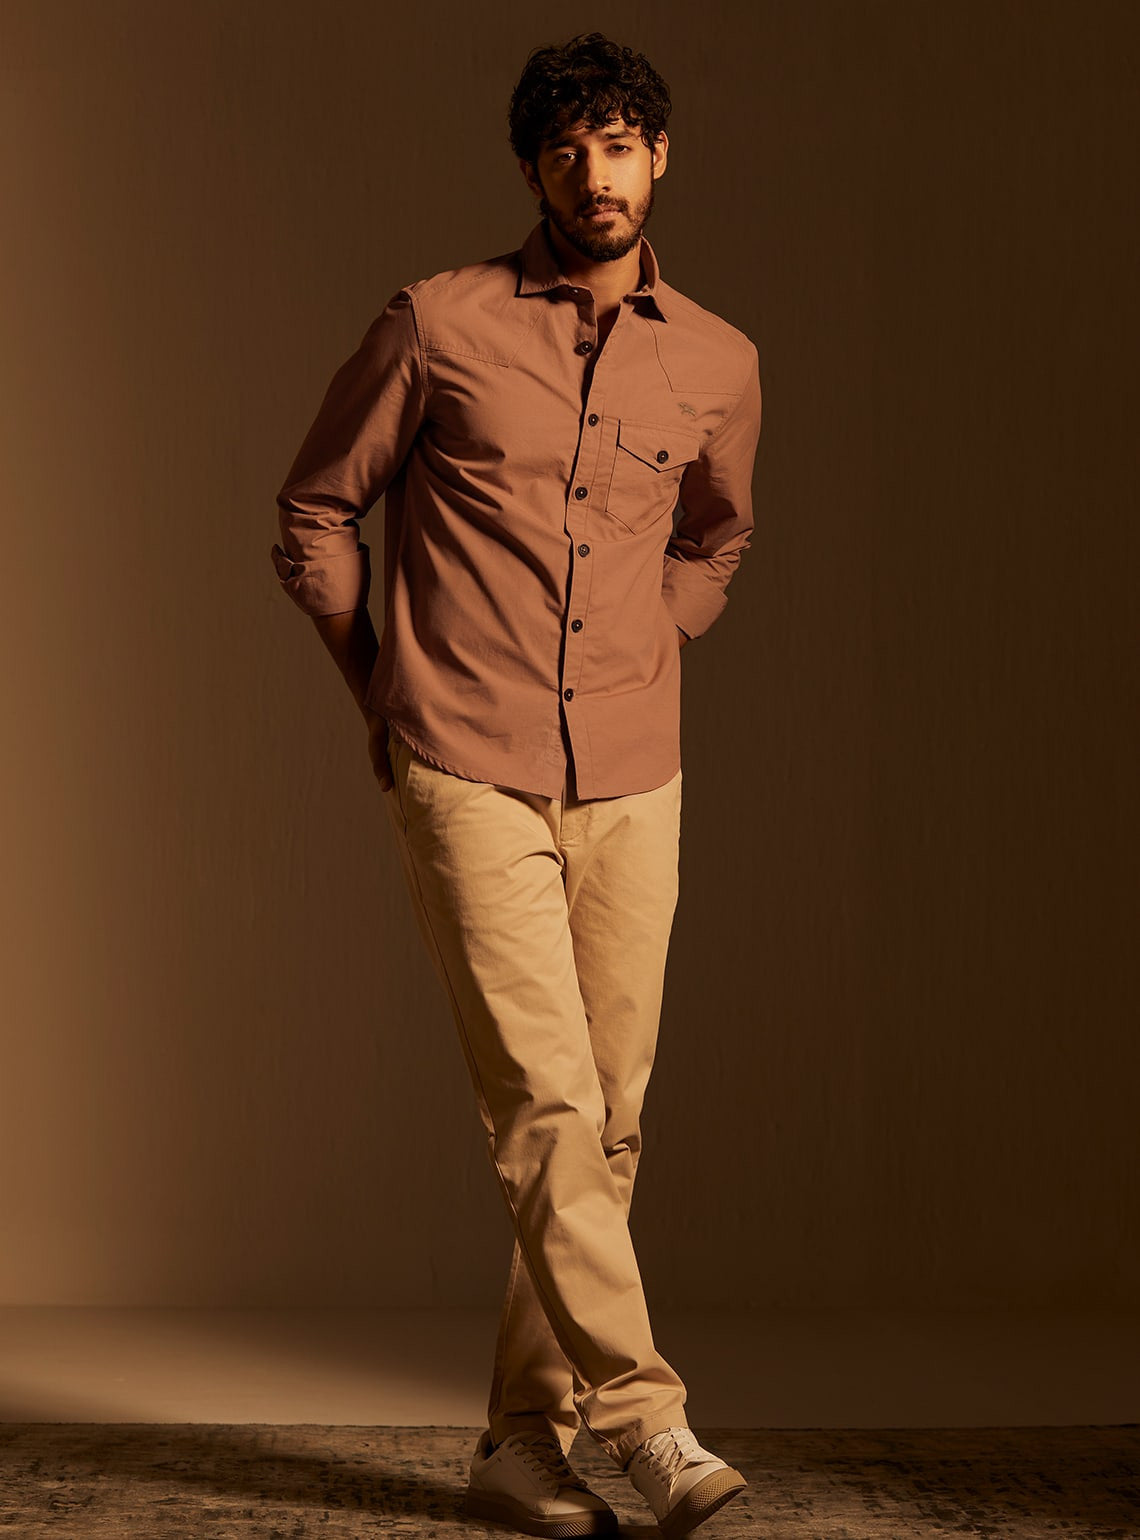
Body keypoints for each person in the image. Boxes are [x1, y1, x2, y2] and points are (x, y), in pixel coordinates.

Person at [270, 29, 762, 1540]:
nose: (591, 172)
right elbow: (315, 509)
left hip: (633, 771)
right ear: (532, 168)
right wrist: (383, 688)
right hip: (465, 759)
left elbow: (717, 537)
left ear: (657, 157)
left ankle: (518, 1443)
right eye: (564, 148)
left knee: (608, 1123)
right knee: (543, 1101)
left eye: (617, 143)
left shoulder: (720, 360)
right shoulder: (438, 322)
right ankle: (648, 1419)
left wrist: (656, 639)